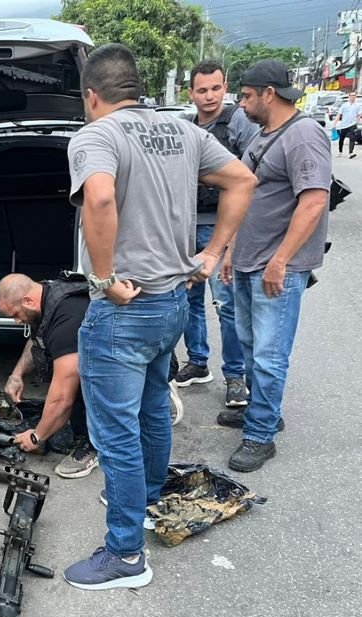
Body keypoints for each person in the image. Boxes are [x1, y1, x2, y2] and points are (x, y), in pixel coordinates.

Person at [61, 44, 257, 590]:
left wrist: (102, 280)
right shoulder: (185, 132)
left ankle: (126, 556)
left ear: (92, 96)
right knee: (150, 406)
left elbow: (99, 201)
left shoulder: (96, 135)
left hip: (125, 309)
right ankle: (146, 496)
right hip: (172, 301)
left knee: (115, 434)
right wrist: (213, 253)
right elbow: (243, 181)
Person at [218, 60, 331, 472]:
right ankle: (263, 411)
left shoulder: (303, 135)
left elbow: (314, 200)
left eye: (246, 95)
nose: (242, 103)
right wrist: (231, 249)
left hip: (276, 266)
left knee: (268, 354)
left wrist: (281, 260)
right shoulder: (263, 135)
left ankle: (261, 434)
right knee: (249, 346)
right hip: (249, 260)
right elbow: (245, 196)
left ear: (269, 93)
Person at [176, 60, 259, 407]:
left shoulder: (238, 121)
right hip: (187, 224)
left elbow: (252, 174)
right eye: (202, 90)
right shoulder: (186, 126)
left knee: (226, 304)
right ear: (191, 93)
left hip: (221, 227)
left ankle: (236, 376)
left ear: (225, 88)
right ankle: (197, 361)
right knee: (188, 300)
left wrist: (235, 234)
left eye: (215, 88)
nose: (209, 96)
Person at [0, 273, 98, 479]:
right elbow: (38, 339)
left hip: (126, 367)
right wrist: (17, 374)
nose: (16, 321)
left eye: (15, 314)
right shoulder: (45, 297)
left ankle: (95, 444)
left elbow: (62, 398)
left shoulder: (67, 320)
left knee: (76, 389)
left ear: (27, 301)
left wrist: (36, 436)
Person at [334, 91, 361, 159]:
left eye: (354, 95)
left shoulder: (358, 105)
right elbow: (339, 114)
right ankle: (340, 151)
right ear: (349, 97)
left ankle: (350, 153)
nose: (353, 97)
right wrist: (335, 123)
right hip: (344, 125)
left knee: (352, 138)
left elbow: (359, 115)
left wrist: (356, 122)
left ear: (355, 97)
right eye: (351, 95)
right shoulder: (344, 105)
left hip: (352, 124)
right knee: (341, 139)